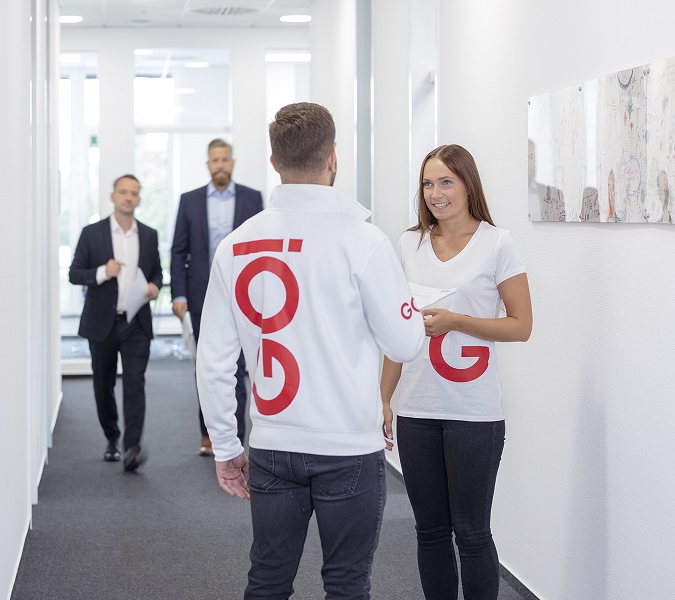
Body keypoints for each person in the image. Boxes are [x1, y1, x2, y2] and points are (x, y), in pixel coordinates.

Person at [195, 102, 425, 599]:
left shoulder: (235, 244)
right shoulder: (364, 241)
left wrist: (227, 446)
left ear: (274, 163)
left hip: (273, 443)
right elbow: (405, 342)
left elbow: (214, 360)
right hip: (347, 447)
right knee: (345, 583)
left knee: (268, 580)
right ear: (333, 159)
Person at [380, 145, 533, 600]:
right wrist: (383, 398)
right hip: (417, 408)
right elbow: (397, 330)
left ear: (468, 184)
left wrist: (457, 321)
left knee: (470, 532)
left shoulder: (498, 242)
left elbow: (521, 326)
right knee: (429, 531)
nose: (435, 193)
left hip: (474, 412)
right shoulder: (409, 244)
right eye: (428, 183)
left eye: (446, 181)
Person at [170, 138, 263, 456]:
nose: (220, 165)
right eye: (214, 160)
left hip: (244, 295)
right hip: (200, 295)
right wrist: (178, 292)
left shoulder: (252, 199)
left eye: (224, 159)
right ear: (207, 164)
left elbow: (263, 246)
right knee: (208, 364)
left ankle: (236, 434)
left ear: (232, 162)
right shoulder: (189, 201)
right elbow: (178, 251)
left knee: (239, 366)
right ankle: (208, 433)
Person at [69, 174, 163, 472]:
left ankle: (132, 447)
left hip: (136, 322)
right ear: (112, 197)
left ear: (138, 199)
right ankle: (112, 436)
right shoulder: (91, 233)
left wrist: (154, 286)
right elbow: (74, 273)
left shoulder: (148, 235)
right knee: (103, 383)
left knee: (135, 384)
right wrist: (102, 272)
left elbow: (158, 272)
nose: (128, 197)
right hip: (102, 322)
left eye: (134, 193)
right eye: (123, 192)